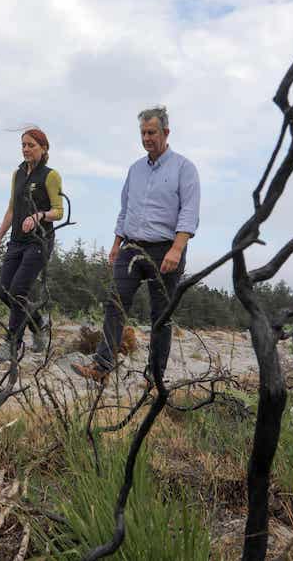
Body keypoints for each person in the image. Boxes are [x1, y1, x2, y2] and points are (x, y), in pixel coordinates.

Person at [72, 106, 200, 382]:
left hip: (165, 249)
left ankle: (154, 379)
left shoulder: (184, 168)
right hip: (130, 247)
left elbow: (189, 212)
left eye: (152, 132)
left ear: (166, 132)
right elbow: (125, 209)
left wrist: (177, 249)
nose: (147, 138)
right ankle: (102, 367)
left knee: (160, 316)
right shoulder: (135, 170)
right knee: (114, 304)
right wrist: (117, 244)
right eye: (143, 133)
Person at [0, 128, 64, 362]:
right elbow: (12, 208)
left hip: (39, 242)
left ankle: (12, 345)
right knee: (4, 291)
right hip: (17, 241)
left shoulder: (51, 176)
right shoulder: (18, 174)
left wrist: (39, 216)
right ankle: (39, 324)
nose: (26, 149)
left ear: (44, 148)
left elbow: (58, 212)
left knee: (19, 290)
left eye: (31, 145)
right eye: (23, 145)